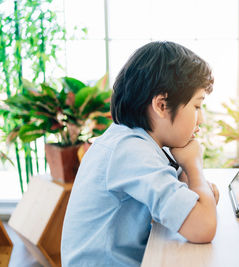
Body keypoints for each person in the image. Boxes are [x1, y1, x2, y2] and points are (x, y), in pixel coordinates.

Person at [61, 41, 219, 266]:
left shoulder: (130, 140)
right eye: (197, 106)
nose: (201, 119)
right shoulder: (130, 151)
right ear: (161, 105)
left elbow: (190, 206)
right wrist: (194, 166)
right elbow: (203, 227)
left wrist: (194, 188)